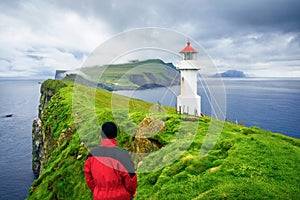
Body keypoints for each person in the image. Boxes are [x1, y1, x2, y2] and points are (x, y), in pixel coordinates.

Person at [84, 122, 137, 200]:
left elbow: (89, 178)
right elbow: (131, 178)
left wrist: (97, 191)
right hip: (121, 197)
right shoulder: (122, 155)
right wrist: (132, 192)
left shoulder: (91, 155)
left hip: (100, 196)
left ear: (102, 134)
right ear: (115, 134)